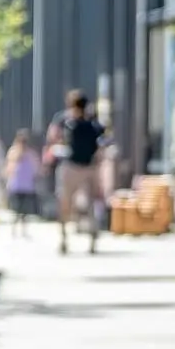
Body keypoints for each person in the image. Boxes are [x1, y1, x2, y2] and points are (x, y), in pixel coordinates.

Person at [48, 89, 105, 254]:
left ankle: (66, 238)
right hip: (88, 167)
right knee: (89, 204)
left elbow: (54, 138)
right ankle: (89, 238)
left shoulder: (67, 121)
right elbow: (101, 145)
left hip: (73, 167)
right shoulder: (92, 124)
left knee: (66, 203)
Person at [5, 128, 43, 237]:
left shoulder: (31, 154)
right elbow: (9, 167)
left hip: (27, 186)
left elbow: (36, 168)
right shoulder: (13, 152)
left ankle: (23, 230)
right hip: (16, 186)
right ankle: (14, 229)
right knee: (17, 210)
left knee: (25, 212)